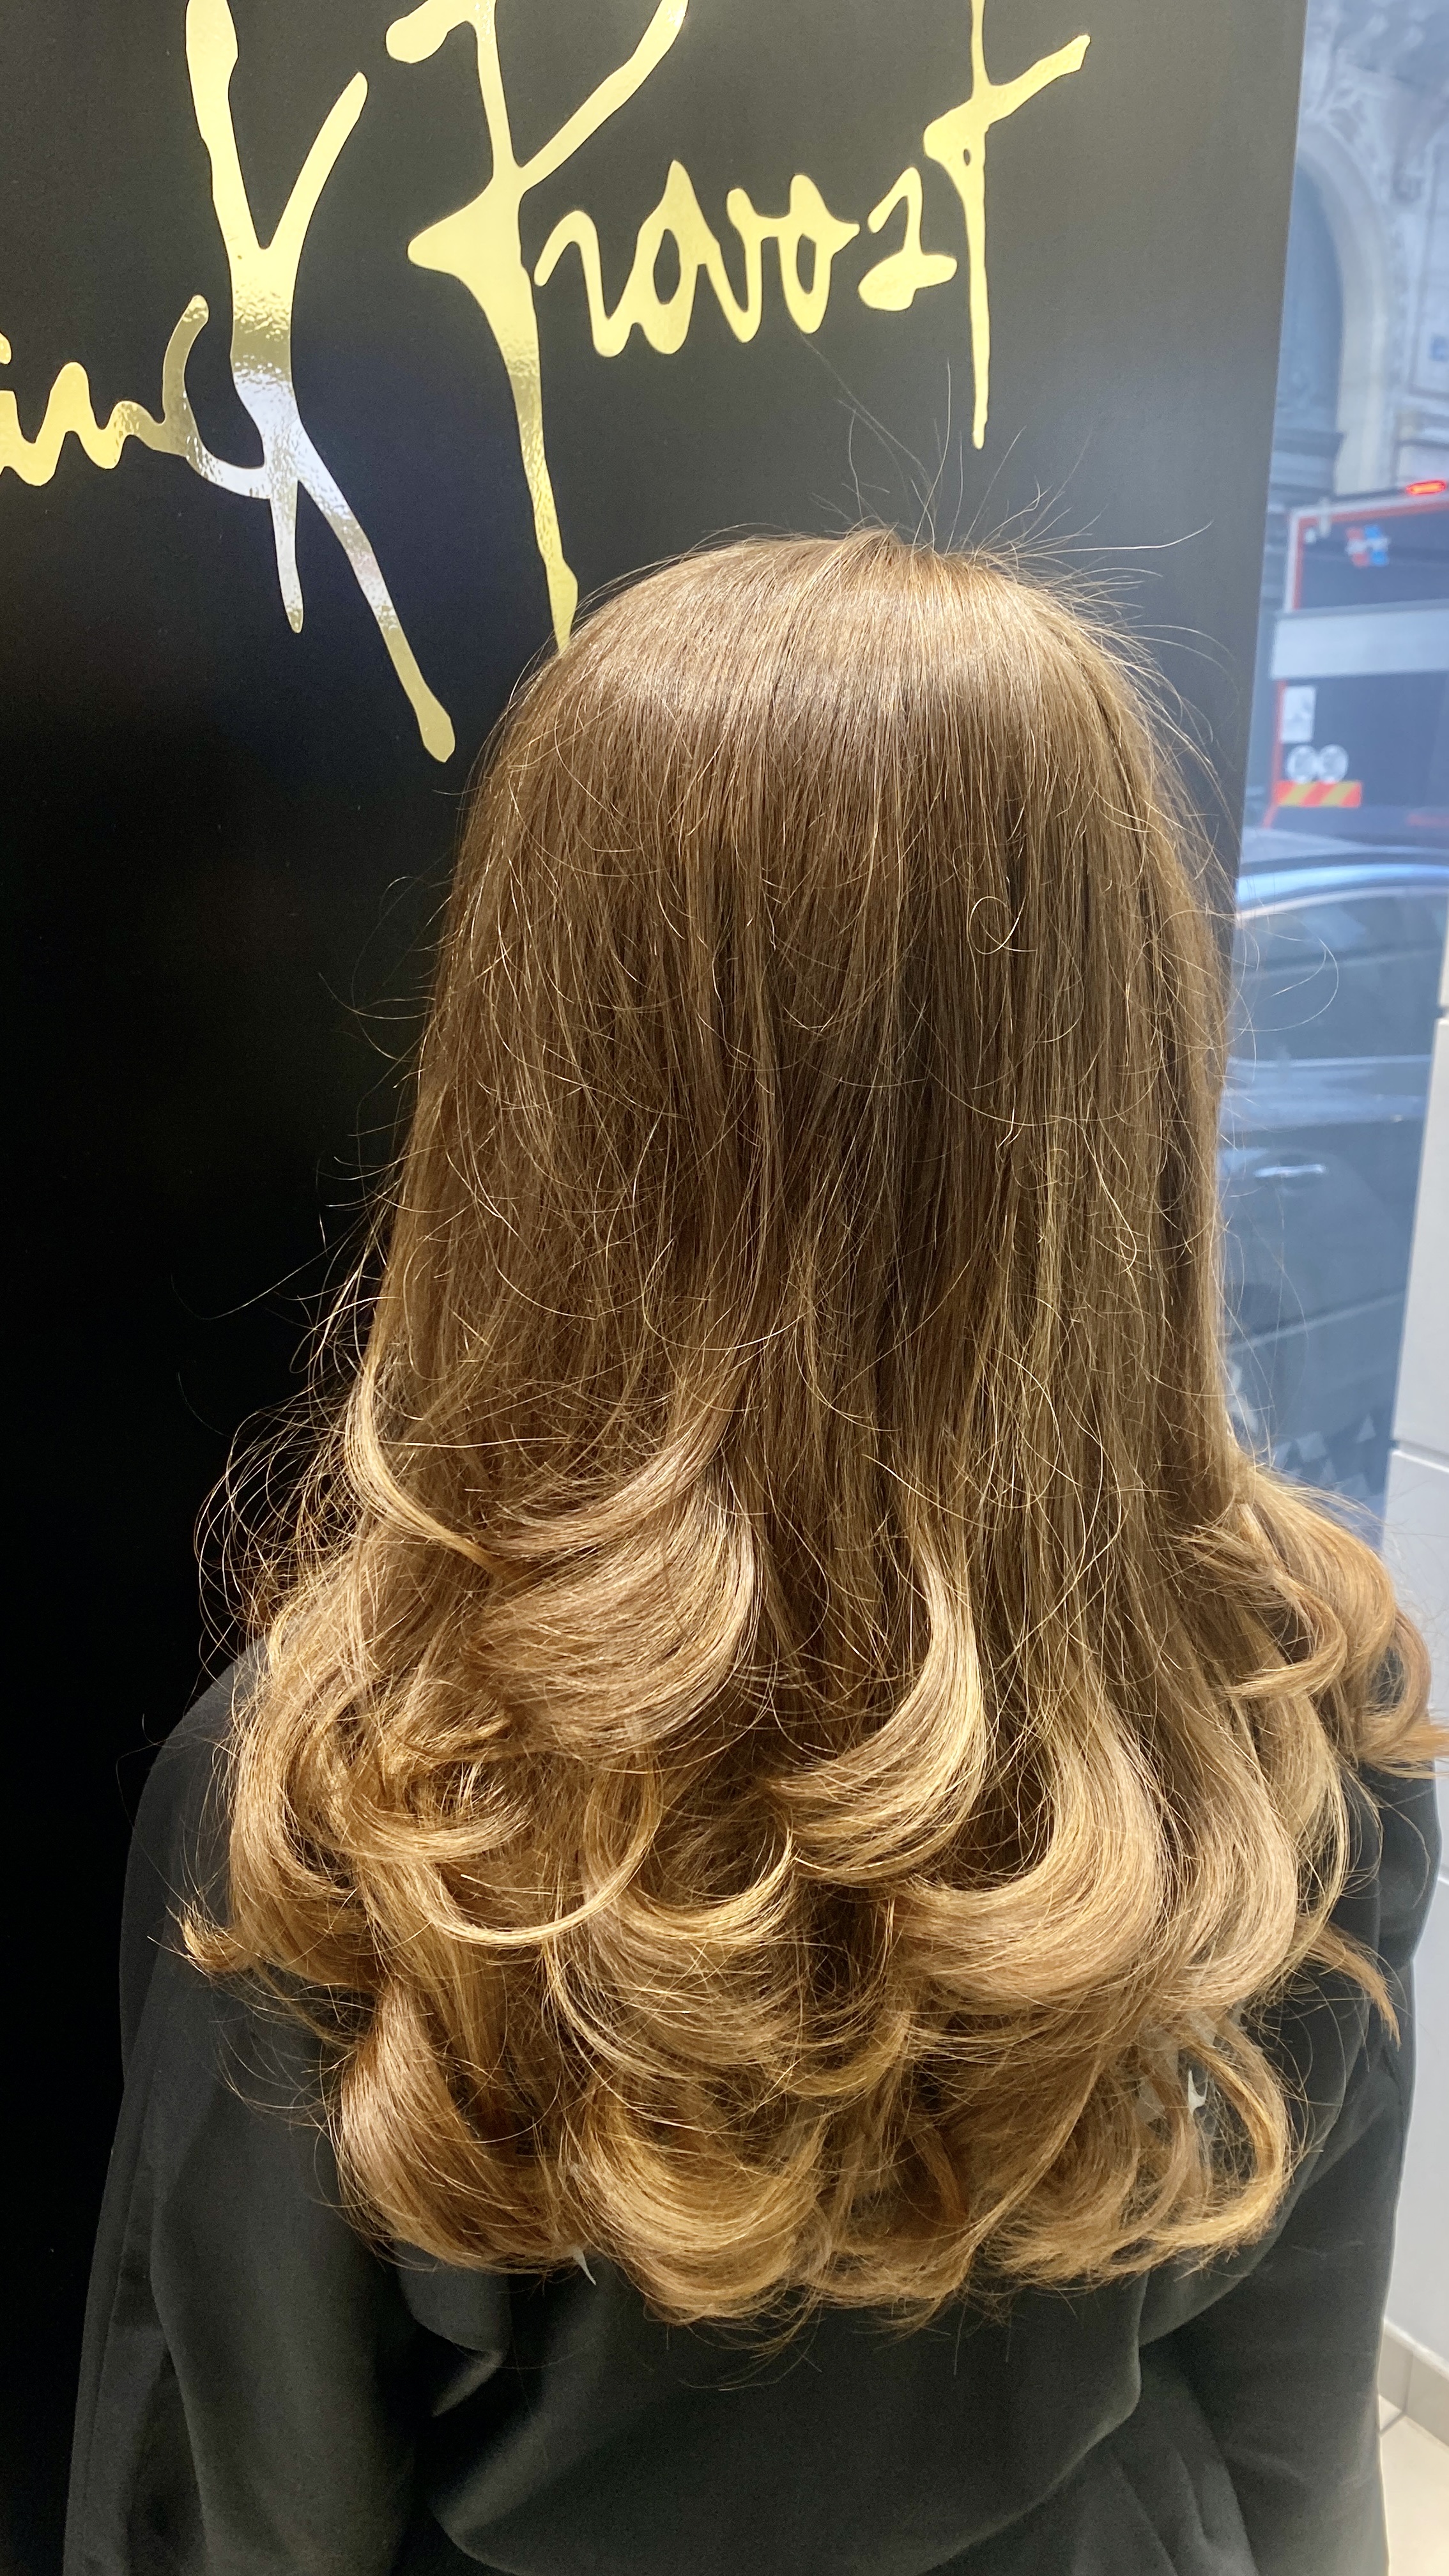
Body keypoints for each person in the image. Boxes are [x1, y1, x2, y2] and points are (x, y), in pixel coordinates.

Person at [67, 532, 1442, 2576]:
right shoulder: (1289, 1706)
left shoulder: (351, 1797)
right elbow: (1297, 2442)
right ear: (1123, 1048)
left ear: (533, 1071)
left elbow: (251, 2503)